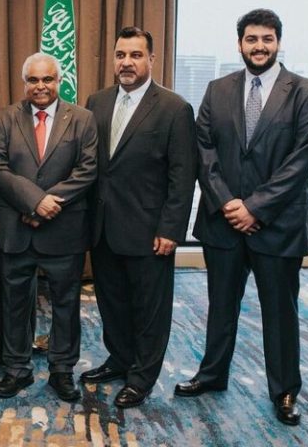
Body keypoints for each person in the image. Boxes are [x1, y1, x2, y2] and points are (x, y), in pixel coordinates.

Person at [175, 9, 308, 426]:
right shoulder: (217, 89)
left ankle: (285, 391)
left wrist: (255, 207)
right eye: (252, 39)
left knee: (280, 313)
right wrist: (228, 204)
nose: (259, 46)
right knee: (220, 306)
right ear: (239, 43)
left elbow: (300, 161)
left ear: (278, 42)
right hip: (223, 223)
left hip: (277, 225)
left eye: (267, 39)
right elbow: (204, 150)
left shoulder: (306, 92)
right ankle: (211, 375)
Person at [81, 27, 197, 408]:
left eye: (135, 55)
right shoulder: (97, 102)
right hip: (103, 228)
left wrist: (171, 229)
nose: (126, 62)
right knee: (111, 302)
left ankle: (141, 377)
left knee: (149, 310)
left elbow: (183, 175)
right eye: (120, 55)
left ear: (151, 59)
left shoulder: (174, 108)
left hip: (150, 232)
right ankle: (119, 359)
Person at [0, 52, 97, 402]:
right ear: (24, 83)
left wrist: (47, 204)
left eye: (47, 79)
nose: (40, 86)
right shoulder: (4, 118)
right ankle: (16, 369)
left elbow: (87, 171)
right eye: (33, 80)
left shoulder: (82, 119)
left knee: (66, 304)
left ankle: (62, 371)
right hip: (17, 230)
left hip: (64, 229)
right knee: (15, 303)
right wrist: (35, 202)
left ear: (59, 80)